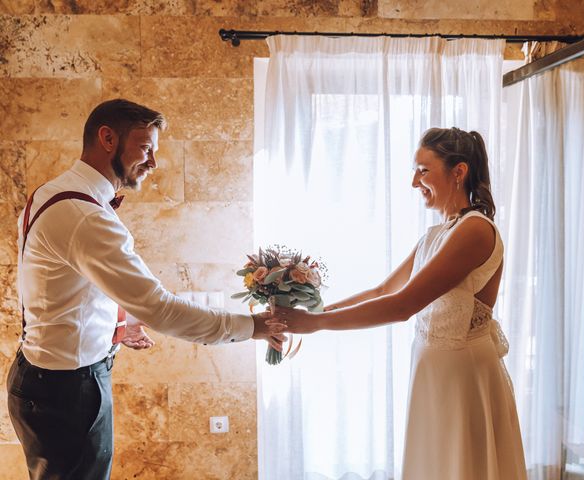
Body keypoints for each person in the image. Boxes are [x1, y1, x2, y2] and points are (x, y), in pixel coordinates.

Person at [7, 98, 285, 480]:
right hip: (66, 392)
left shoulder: (53, 193)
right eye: (145, 147)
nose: (154, 161)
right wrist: (255, 327)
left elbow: (65, 290)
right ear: (107, 138)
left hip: (46, 378)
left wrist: (117, 326)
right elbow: (162, 310)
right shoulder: (85, 216)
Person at [276, 127, 527, 479]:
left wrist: (315, 325)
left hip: (463, 377)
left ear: (459, 171)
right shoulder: (437, 233)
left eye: (423, 171)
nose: (414, 182)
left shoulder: (475, 230)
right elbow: (383, 290)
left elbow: (402, 305)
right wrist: (315, 313)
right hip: (434, 373)